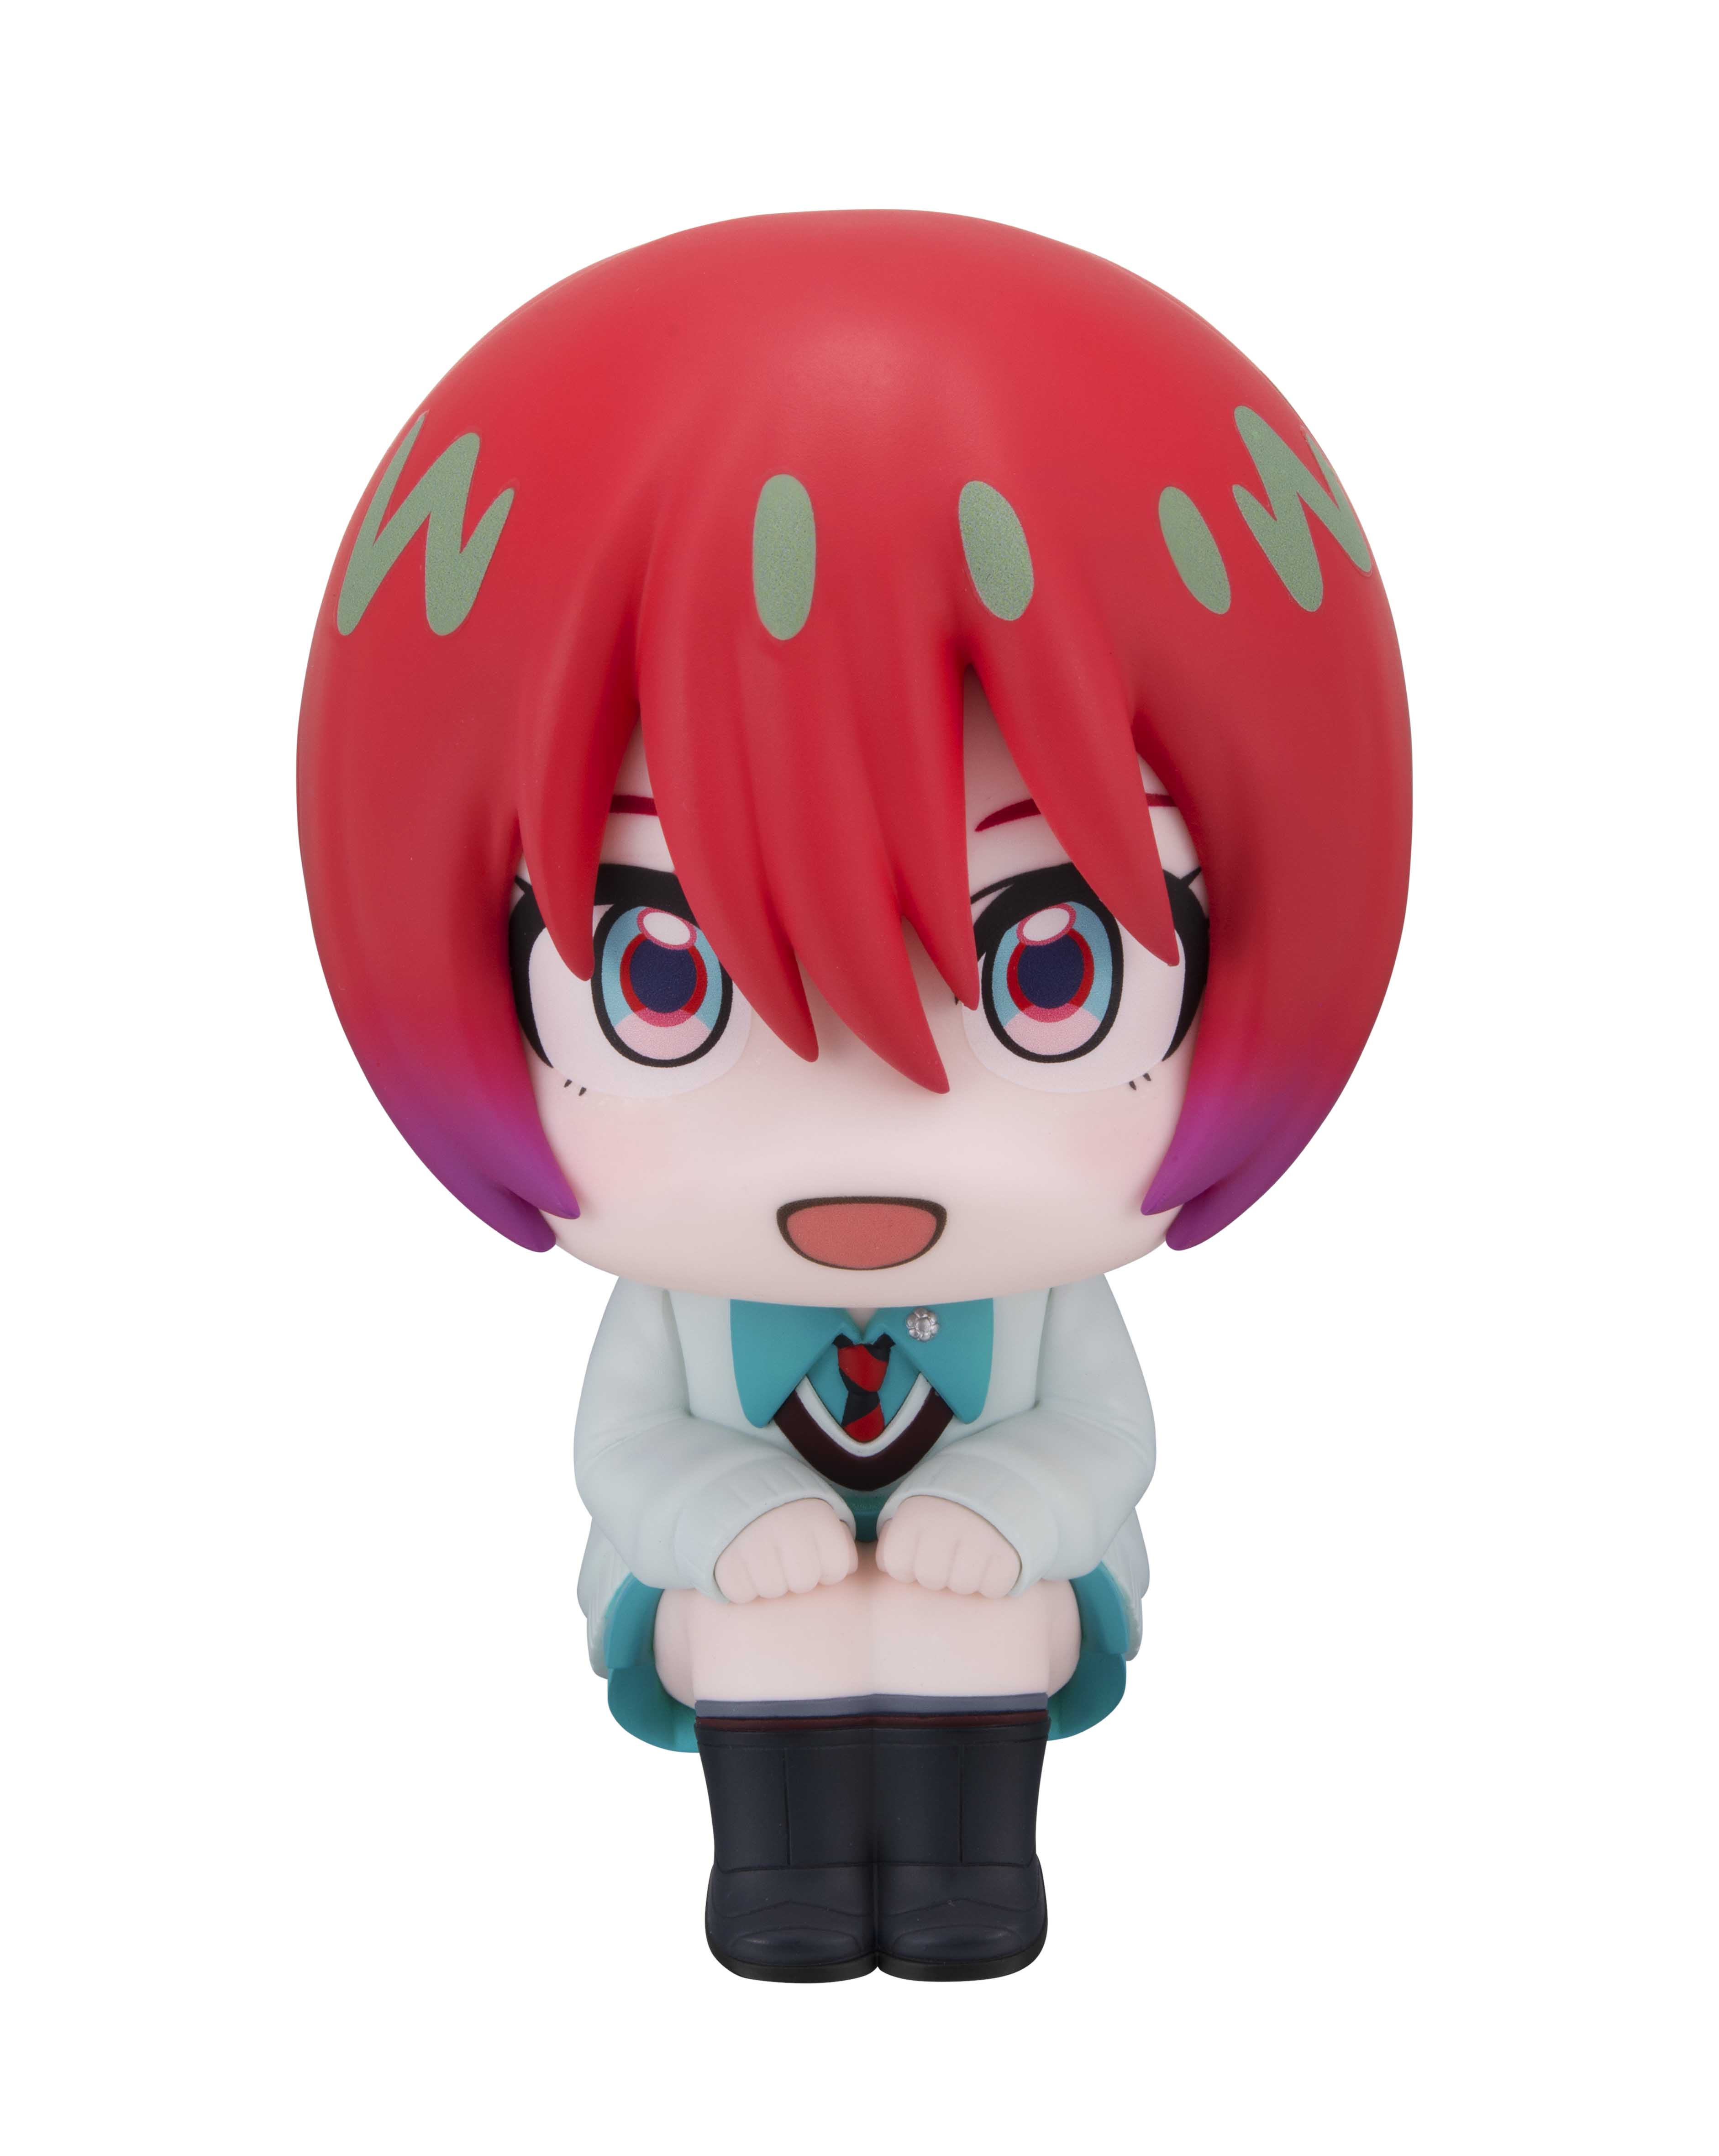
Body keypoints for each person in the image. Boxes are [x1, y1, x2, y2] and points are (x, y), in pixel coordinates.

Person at [299, 210, 1411, 1982]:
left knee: (991, 1625)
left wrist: (1016, 1509)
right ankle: (781, 1869)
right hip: (739, 1597)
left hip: (1007, 1583)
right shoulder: (686, 1306)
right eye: (663, 975)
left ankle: (977, 1862)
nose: (860, 1110)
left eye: (1049, 967)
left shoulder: (1038, 1299)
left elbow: (1107, 1437)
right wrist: (723, 1522)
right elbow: (622, 1450)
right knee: (772, 1635)